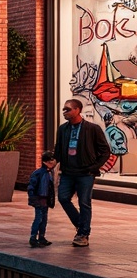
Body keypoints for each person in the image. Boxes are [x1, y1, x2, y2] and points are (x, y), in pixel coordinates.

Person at [54, 99, 109, 247]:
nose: (64, 112)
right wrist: (53, 162)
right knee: (63, 198)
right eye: (64, 109)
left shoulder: (92, 129)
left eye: (68, 109)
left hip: (85, 173)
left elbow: (105, 151)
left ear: (78, 110)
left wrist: (93, 167)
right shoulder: (62, 129)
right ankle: (81, 225)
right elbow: (58, 149)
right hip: (67, 172)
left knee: (84, 203)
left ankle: (83, 234)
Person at [28, 151, 58, 248]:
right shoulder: (39, 173)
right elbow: (31, 187)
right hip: (39, 199)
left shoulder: (49, 173)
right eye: (52, 160)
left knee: (44, 219)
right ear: (46, 162)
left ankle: (41, 237)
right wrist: (33, 198)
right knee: (39, 218)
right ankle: (33, 237)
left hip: (45, 200)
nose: (54, 162)